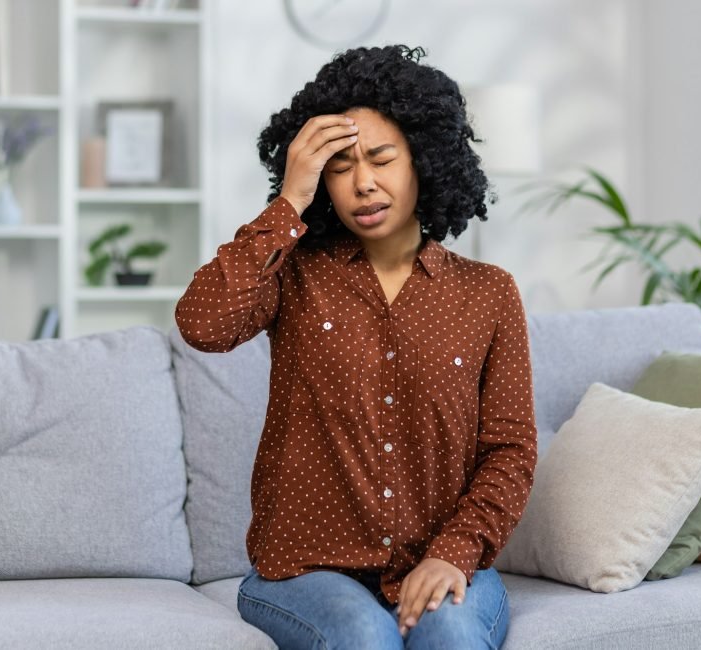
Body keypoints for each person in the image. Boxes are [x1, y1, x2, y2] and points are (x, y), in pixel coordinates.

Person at [175, 44, 537, 650]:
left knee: (448, 633)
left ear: (424, 160)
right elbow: (203, 323)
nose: (362, 182)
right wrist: (288, 202)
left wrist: (453, 554)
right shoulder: (291, 276)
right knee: (365, 636)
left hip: (441, 559)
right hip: (304, 570)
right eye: (339, 166)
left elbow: (510, 451)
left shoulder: (489, 294)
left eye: (381, 159)